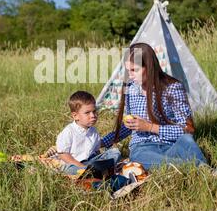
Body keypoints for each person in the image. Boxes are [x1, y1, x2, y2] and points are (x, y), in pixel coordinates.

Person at [100, 42, 208, 171]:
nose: (130, 75)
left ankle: (194, 168)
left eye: (134, 70)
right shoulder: (130, 88)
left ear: (149, 67)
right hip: (143, 147)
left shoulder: (172, 88)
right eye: (128, 70)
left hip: (172, 145)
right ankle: (199, 168)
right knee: (142, 158)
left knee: (187, 140)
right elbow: (129, 126)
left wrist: (150, 127)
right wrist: (102, 143)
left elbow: (188, 130)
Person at [56, 91, 121, 175]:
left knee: (115, 153)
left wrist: (99, 160)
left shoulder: (93, 131)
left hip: (91, 162)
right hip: (74, 163)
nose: (93, 115)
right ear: (75, 116)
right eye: (87, 113)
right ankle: (94, 173)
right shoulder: (69, 131)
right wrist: (81, 166)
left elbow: (96, 151)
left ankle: (94, 172)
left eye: (94, 111)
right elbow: (63, 154)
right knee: (69, 169)